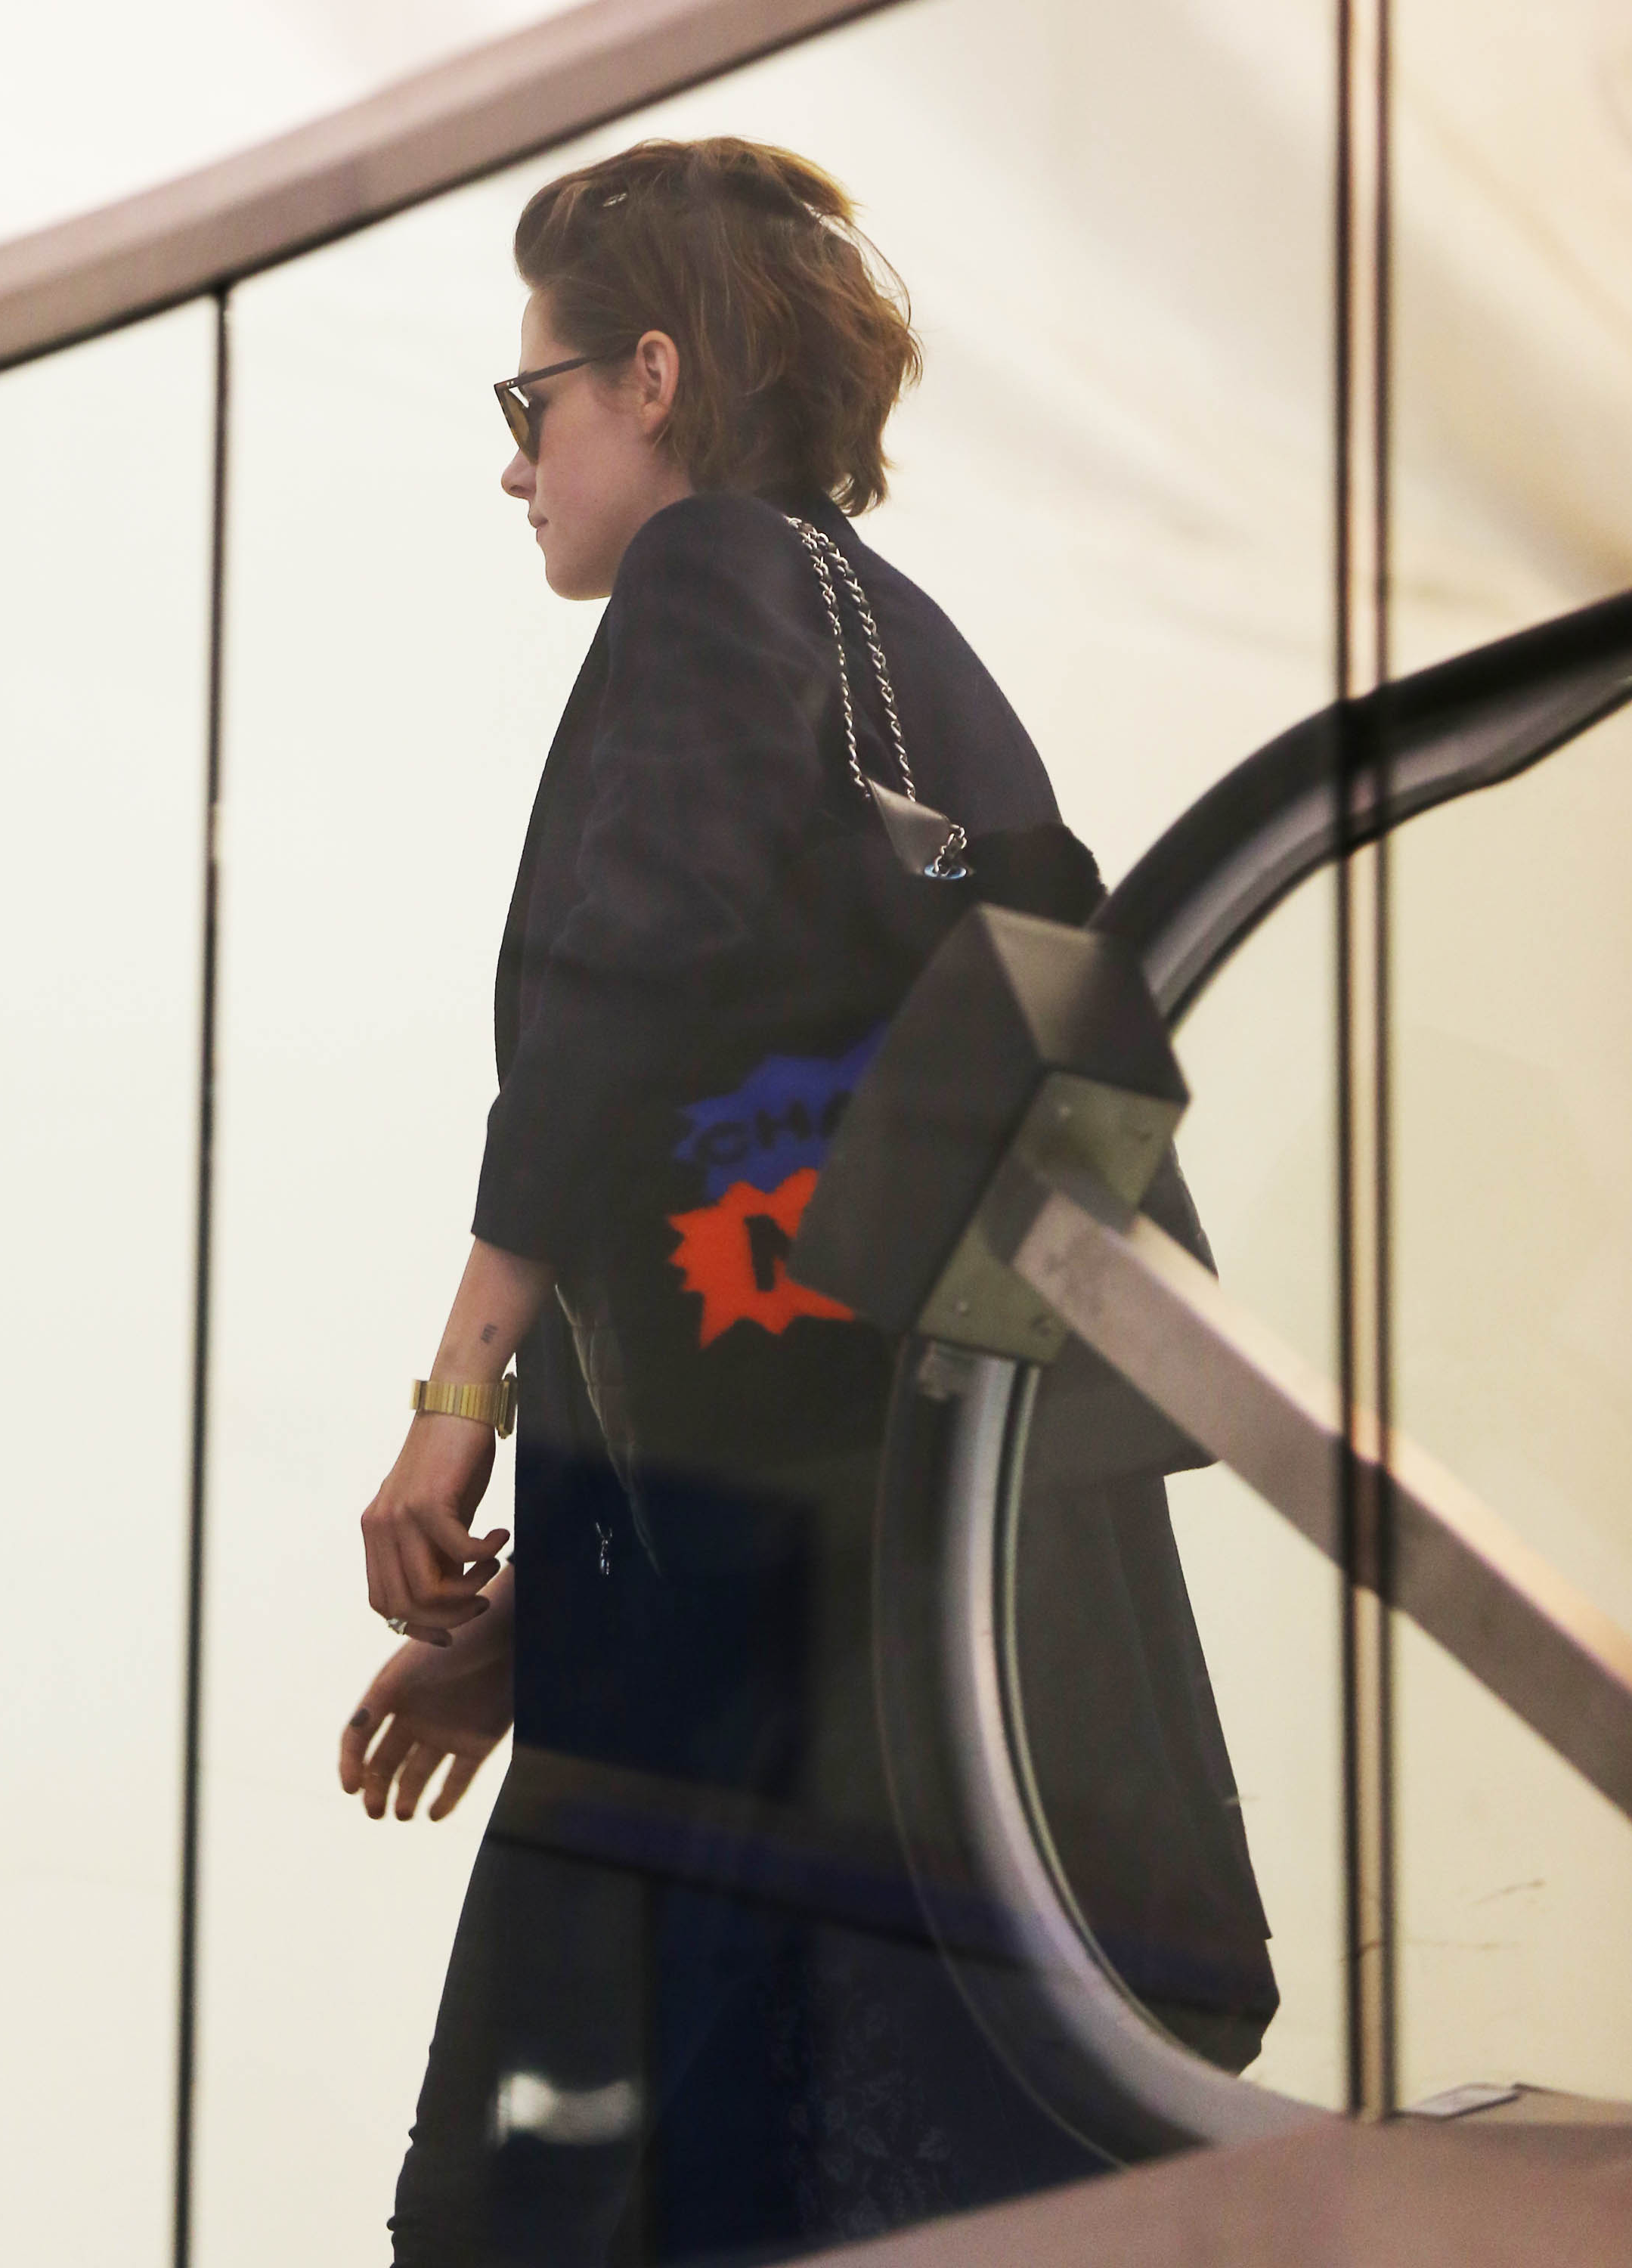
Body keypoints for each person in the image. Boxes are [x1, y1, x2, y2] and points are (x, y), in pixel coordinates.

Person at [336, 138, 1274, 2266]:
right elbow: (823, 1238)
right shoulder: (920, 663)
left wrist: (457, 1395)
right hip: (967, 1637)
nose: (515, 466)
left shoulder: (707, 575)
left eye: (533, 401)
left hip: (807, 1717)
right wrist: (551, 1626)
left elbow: (618, 994)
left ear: (652, 376)